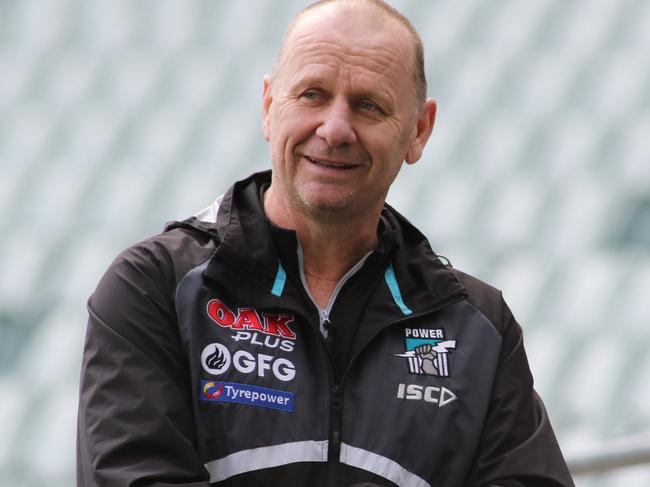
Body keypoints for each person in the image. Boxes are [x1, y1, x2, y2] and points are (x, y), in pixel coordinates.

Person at [77, 1, 575, 486]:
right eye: (313, 94)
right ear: (270, 107)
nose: (335, 129)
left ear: (419, 130)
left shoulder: (477, 328)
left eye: (368, 106)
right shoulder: (155, 287)